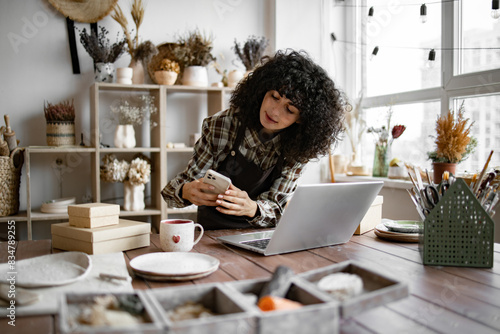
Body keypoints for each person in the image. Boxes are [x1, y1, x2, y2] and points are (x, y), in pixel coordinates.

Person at [161, 50, 346, 229]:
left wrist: (253, 208)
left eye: (289, 110)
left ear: (302, 119)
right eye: (274, 97)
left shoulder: (298, 148)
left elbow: (277, 208)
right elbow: (171, 192)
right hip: (211, 235)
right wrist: (185, 191)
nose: (274, 111)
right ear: (262, 90)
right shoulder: (222, 125)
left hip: (260, 237)